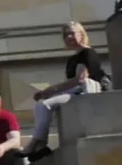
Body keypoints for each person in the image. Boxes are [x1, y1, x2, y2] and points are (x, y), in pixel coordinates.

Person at [23, 21, 106, 157]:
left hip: (85, 93)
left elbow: (79, 79)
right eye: (66, 35)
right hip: (75, 92)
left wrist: (50, 90)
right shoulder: (72, 59)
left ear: (81, 34)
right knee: (40, 106)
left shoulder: (88, 53)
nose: (69, 37)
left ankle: (36, 142)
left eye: (72, 33)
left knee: (45, 105)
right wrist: (49, 92)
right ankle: (40, 146)